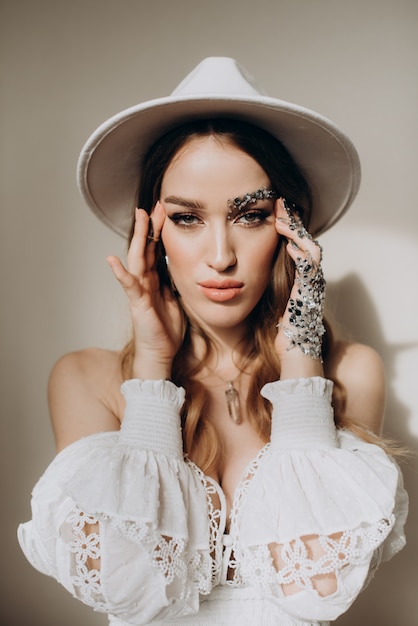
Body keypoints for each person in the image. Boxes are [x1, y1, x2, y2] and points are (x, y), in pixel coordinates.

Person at [18, 57, 408, 626]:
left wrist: (301, 350)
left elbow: (317, 586)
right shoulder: (86, 379)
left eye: (249, 216)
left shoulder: (348, 373)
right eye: (187, 218)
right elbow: (128, 588)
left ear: (287, 231)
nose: (221, 255)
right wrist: (152, 369)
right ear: (153, 235)